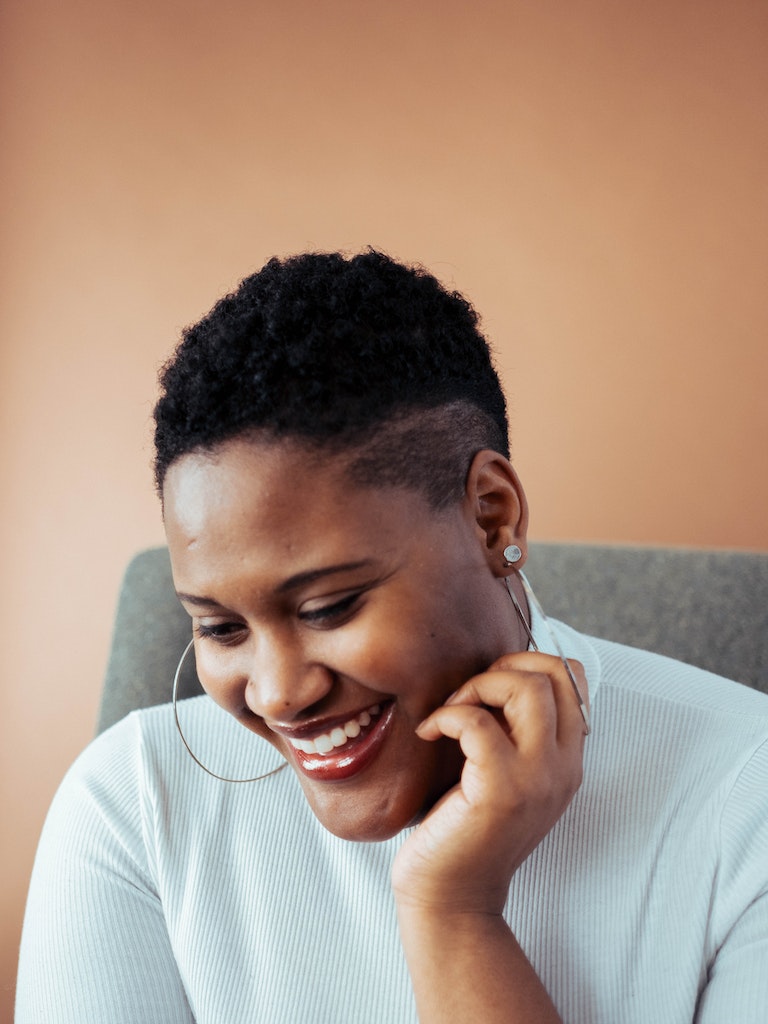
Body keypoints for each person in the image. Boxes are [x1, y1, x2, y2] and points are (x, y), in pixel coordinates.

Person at [16, 251, 768, 1023]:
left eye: (328, 607)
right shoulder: (131, 805)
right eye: (220, 627)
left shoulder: (748, 796)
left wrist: (454, 912)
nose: (278, 693)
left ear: (491, 515)